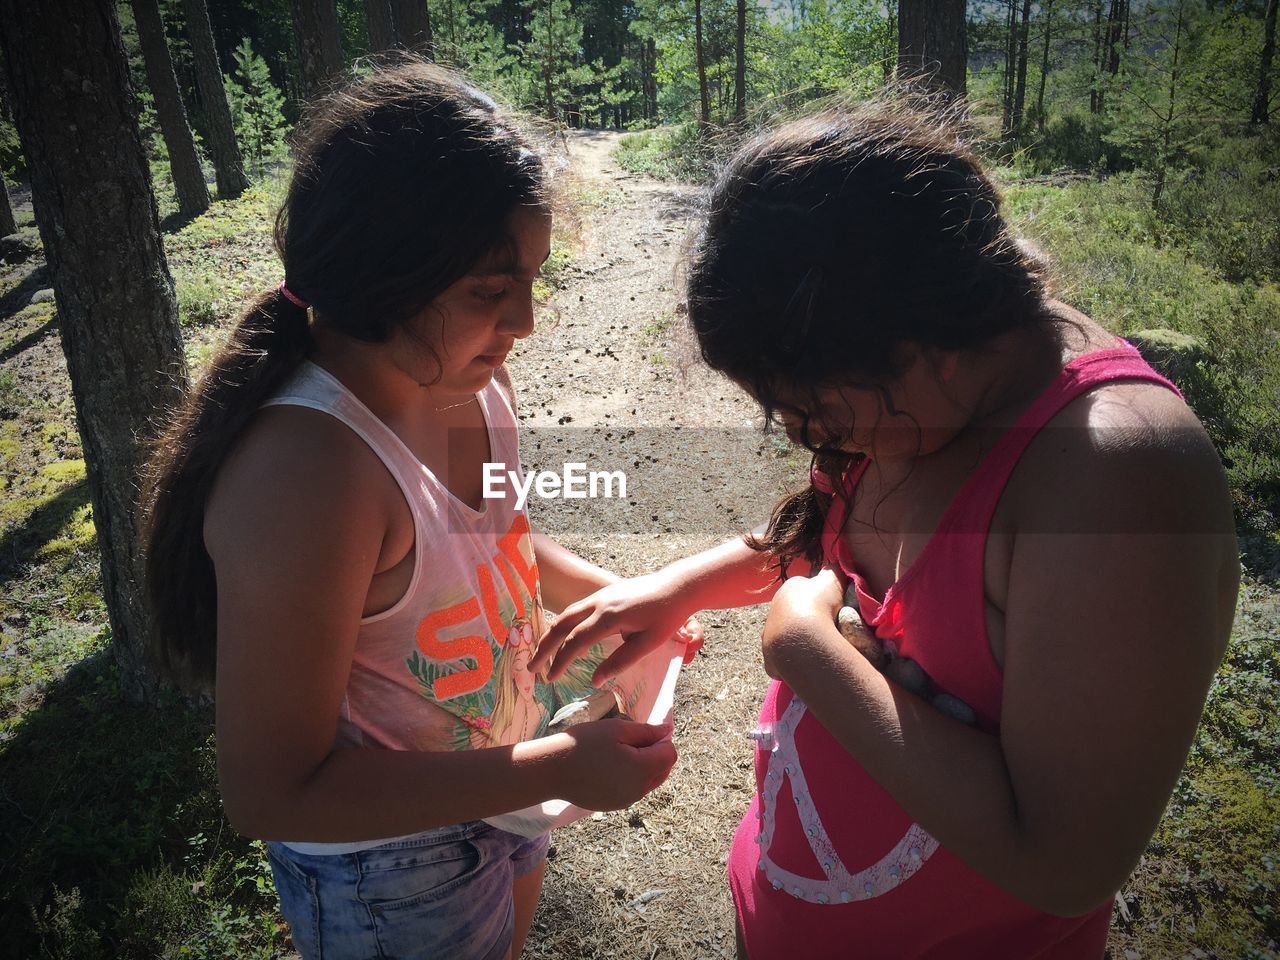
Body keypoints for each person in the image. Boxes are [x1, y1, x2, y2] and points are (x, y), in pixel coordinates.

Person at [531, 103, 1239, 958]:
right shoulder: (928, 402)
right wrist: (676, 586)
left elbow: (1063, 864)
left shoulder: (1116, 481)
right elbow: (835, 538)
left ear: (922, 340)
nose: (808, 439)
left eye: (818, 409)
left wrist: (803, 648)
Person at [139, 62, 681, 960]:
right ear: (380, 275)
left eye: (532, 282)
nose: (527, 323)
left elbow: (488, 533)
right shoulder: (309, 475)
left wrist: (621, 597)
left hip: (499, 776)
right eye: (488, 291)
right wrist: (557, 766)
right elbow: (272, 791)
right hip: (387, 869)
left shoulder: (465, 374)